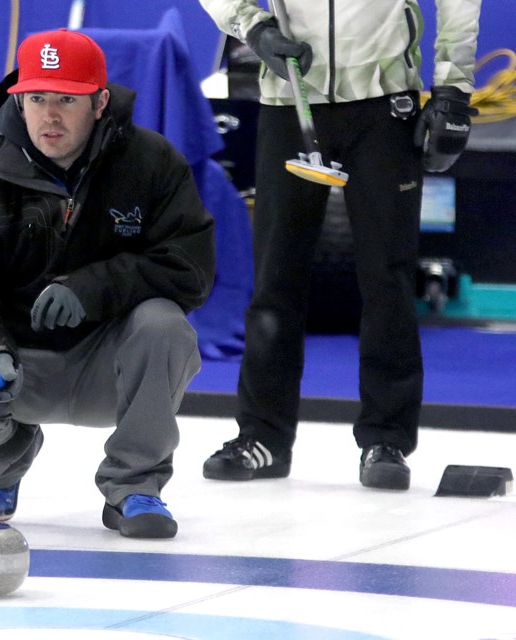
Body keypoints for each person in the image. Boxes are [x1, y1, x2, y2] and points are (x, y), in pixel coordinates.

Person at [0, 29, 216, 539]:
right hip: (18, 367)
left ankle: (135, 487)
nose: (49, 116)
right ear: (19, 99)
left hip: (110, 366)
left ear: (100, 102)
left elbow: (188, 266)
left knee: (165, 325)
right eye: (36, 98)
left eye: (66, 100)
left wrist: (91, 287)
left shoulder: (152, 163)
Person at [196, 0, 480, 489]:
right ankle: (262, 436)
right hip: (290, 97)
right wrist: (253, 26)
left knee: (387, 277)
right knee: (274, 278)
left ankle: (386, 439)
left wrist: (453, 87)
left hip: (385, 104)